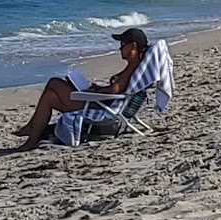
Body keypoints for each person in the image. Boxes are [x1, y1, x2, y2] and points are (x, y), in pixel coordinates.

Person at [14, 27, 150, 150]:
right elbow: (118, 89)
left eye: (122, 44)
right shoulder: (136, 66)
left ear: (133, 47)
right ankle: (32, 134)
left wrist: (97, 91)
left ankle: (31, 132)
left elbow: (115, 90)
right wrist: (99, 88)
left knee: (54, 82)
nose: (119, 48)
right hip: (105, 103)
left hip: (102, 108)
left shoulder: (133, 66)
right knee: (50, 97)